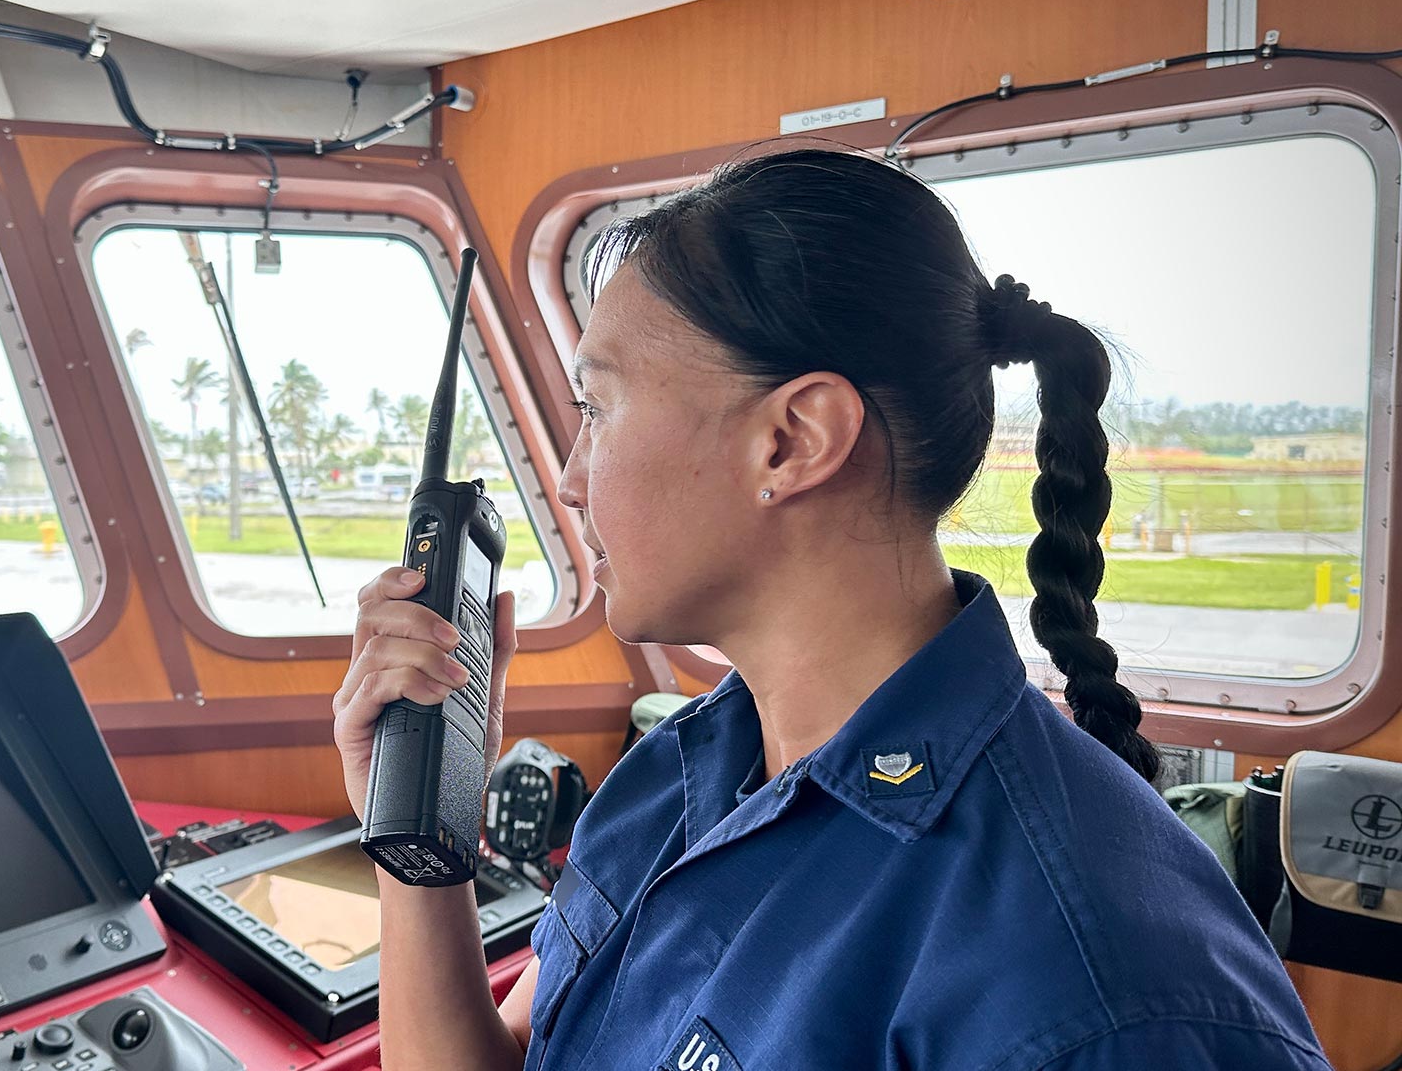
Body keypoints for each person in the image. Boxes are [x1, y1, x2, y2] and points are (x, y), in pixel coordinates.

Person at [331, 149, 1329, 1070]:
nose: (573, 479)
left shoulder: (1097, 985)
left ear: (794, 439)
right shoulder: (674, 780)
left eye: (598, 407)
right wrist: (420, 832)